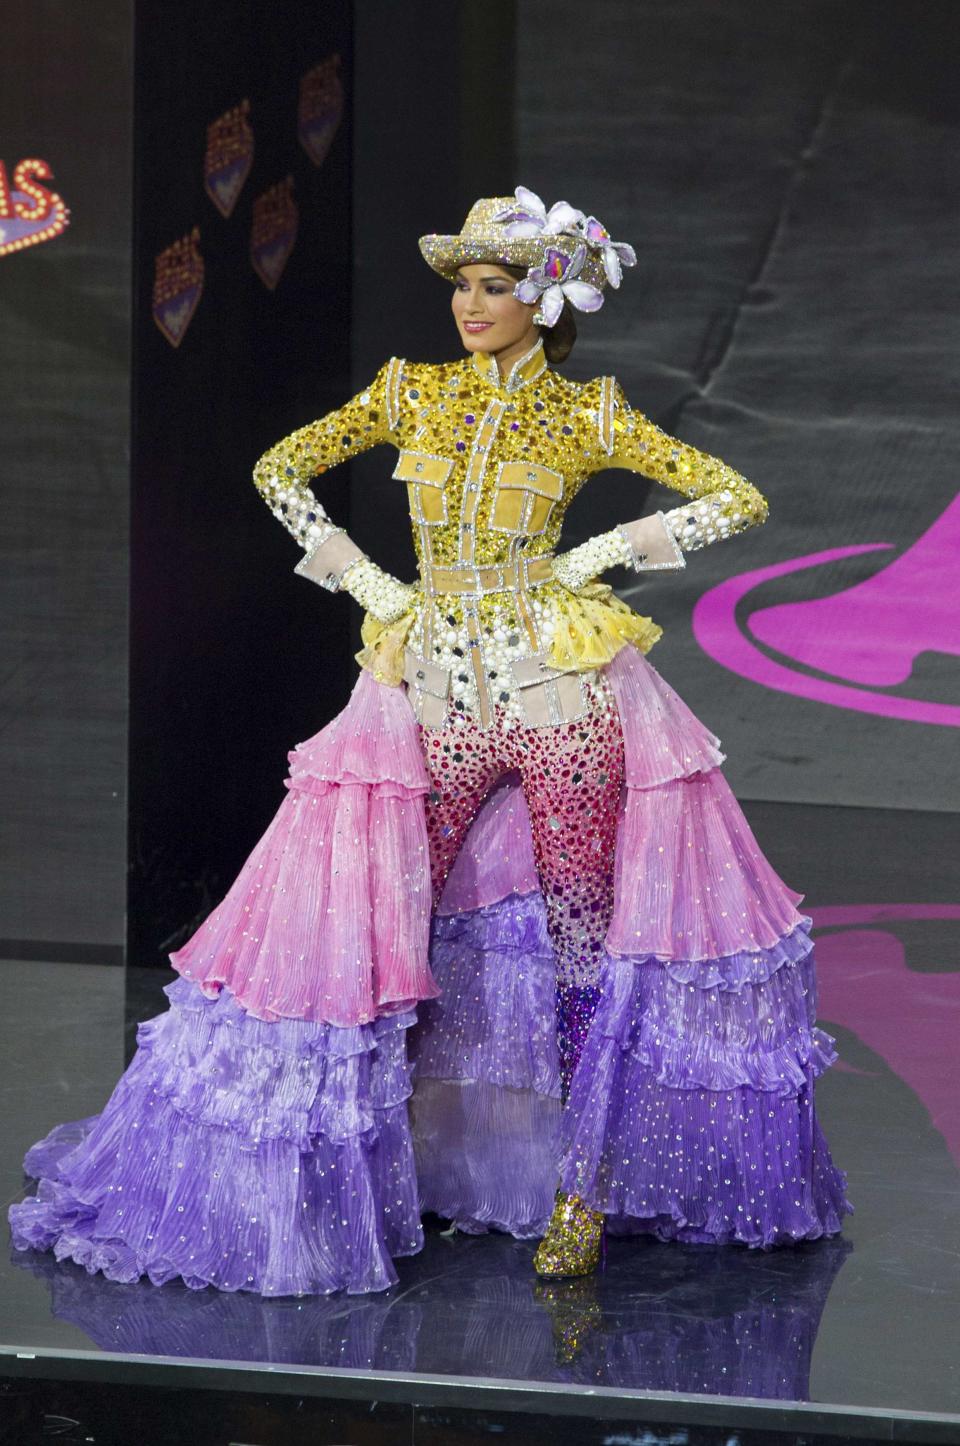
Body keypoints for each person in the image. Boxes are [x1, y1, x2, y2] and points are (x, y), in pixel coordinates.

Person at [9, 188, 850, 1295]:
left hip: (557, 690)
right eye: (461, 284)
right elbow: (278, 470)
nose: (468, 304)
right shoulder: (414, 393)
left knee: (581, 936)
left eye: (493, 287)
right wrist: (366, 582)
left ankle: (580, 1191)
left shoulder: (587, 415)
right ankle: (382, 1161)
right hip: (441, 689)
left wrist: (598, 557)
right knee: (398, 918)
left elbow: (733, 495)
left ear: (544, 302)